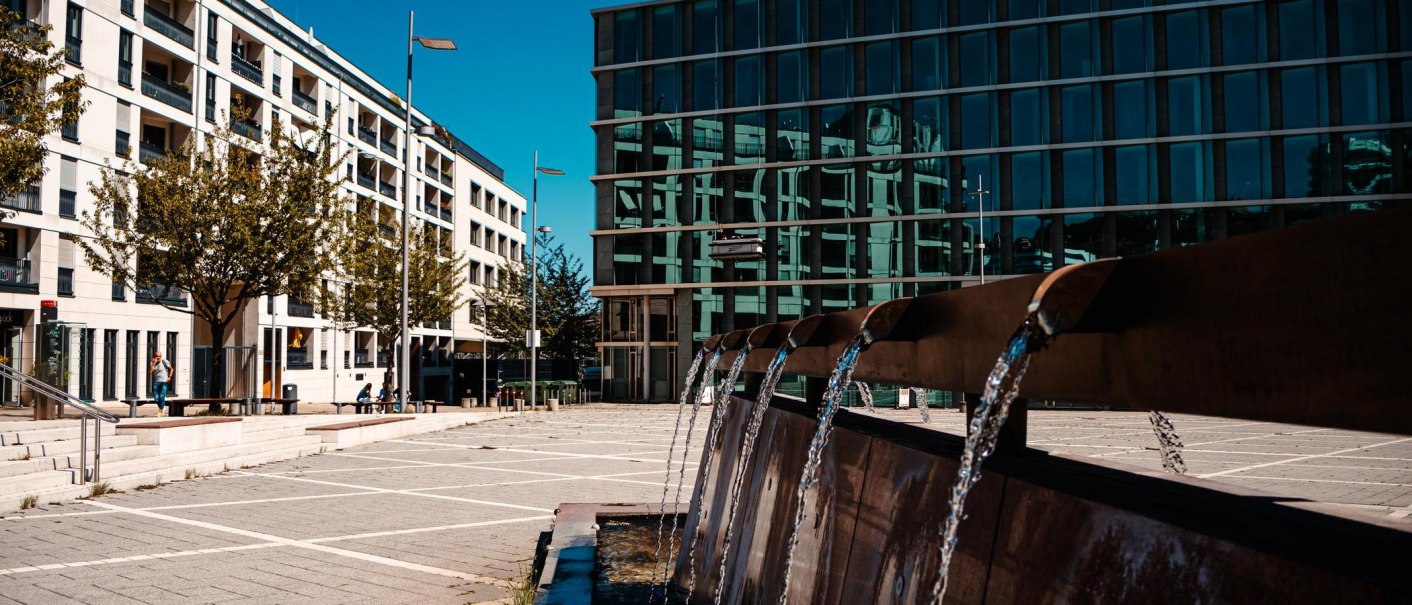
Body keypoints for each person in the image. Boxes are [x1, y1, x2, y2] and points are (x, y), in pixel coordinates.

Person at [149, 351, 173, 417]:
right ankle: (162, 407)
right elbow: (151, 371)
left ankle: (160, 410)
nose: (158, 358)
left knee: (162, 396)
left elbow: (171, 369)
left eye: (160, 356)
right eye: (157, 356)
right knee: (156, 398)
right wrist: (154, 363)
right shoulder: (153, 363)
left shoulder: (165, 362)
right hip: (157, 382)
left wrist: (170, 377)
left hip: (164, 382)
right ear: (155, 357)